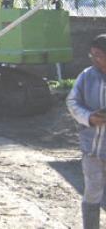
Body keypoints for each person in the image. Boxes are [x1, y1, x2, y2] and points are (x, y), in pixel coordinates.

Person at [67, 34, 106, 229]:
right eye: (93, 55)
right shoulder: (86, 75)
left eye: (99, 55)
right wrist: (89, 117)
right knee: (92, 192)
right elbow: (73, 102)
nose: (95, 59)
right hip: (91, 148)